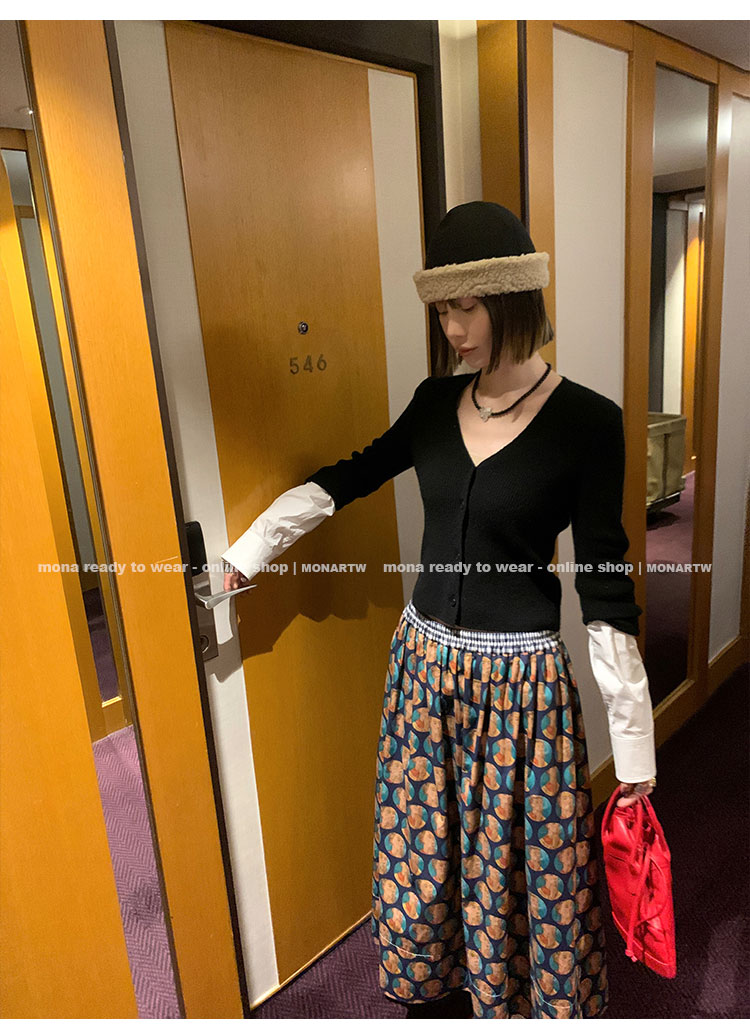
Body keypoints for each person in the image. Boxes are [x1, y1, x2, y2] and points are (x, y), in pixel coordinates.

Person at [222, 202, 656, 1020]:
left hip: (521, 693)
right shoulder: (433, 403)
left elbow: (605, 583)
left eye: (467, 307)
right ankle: (437, 987)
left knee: (520, 869)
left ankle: (516, 999)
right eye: (443, 310)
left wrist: (633, 747)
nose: (452, 329)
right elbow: (351, 476)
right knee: (424, 851)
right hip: (423, 671)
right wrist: (247, 552)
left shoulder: (588, 422)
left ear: (513, 298)